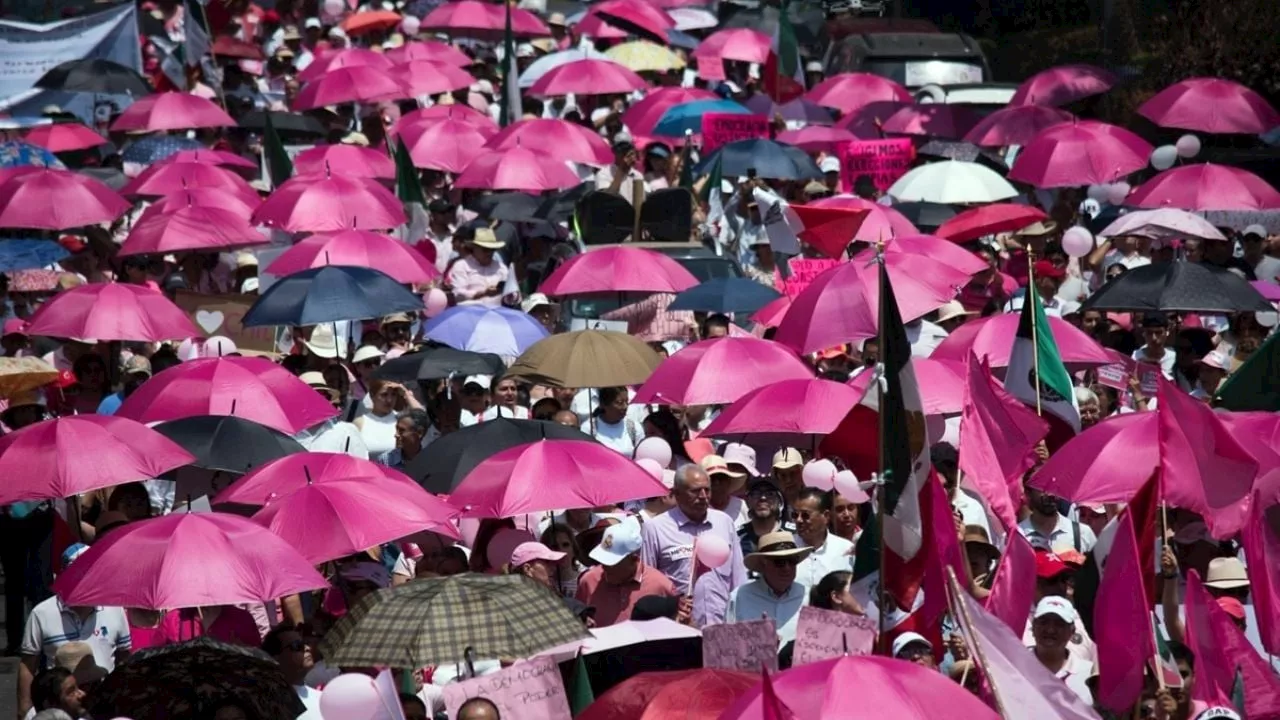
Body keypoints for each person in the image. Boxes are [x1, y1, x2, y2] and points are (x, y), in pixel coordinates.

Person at [18, 544, 130, 720]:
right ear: (62, 575)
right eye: (76, 573)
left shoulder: (115, 609)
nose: (83, 579)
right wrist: (24, 710)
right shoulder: (41, 613)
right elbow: (28, 665)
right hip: (61, 705)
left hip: (103, 700)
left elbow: (124, 657)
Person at [641, 466, 747, 626]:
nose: (704, 496)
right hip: (678, 628)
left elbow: (739, 579)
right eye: (695, 491)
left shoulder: (724, 522)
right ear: (676, 494)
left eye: (707, 490)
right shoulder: (655, 528)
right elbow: (649, 586)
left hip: (723, 626)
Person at [576, 518, 681, 627]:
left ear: (633, 558)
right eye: (603, 560)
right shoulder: (588, 582)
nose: (605, 567)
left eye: (612, 562)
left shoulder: (661, 586)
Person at [728, 531, 811, 645]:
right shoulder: (739, 596)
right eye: (779, 562)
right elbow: (726, 644)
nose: (787, 568)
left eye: (792, 560)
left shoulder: (809, 597)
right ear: (763, 563)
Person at [1030, 596, 1094, 704]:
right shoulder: (1014, 666)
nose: (1050, 630)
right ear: (1033, 626)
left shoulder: (1089, 675)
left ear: (1072, 631)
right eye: (1044, 622)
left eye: (1059, 624)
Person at [294, 372, 370, 458]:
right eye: (310, 395)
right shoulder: (286, 436)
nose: (317, 399)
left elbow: (361, 466)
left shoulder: (346, 432)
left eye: (322, 395)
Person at [791, 489, 855, 588]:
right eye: (795, 515)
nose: (798, 520)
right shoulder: (786, 548)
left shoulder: (846, 550)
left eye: (805, 515)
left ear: (826, 516)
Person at [262, 623, 322, 719]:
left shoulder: (322, 697)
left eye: (304, 644)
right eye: (297, 646)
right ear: (275, 658)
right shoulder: (272, 705)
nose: (307, 648)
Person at [1019, 482, 1096, 554]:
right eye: (1043, 487)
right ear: (1028, 493)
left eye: (1054, 486)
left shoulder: (1083, 533)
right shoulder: (1016, 536)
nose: (1050, 494)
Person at [354, 379, 419, 458]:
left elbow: (422, 417)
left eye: (393, 395)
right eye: (384, 395)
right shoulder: (360, 422)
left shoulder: (402, 419)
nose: (389, 400)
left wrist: (406, 394)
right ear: (372, 395)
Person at [447, 228, 509, 308]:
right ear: (474, 248)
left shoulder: (501, 268)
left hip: (496, 314)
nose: (489, 253)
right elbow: (458, 294)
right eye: (485, 250)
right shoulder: (462, 266)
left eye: (492, 249)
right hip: (469, 313)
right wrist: (483, 293)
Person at [581, 386, 642, 455]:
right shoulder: (589, 428)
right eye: (620, 403)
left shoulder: (634, 428)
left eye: (626, 401)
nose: (625, 406)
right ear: (603, 404)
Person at [738, 479, 789, 557]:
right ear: (748, 501)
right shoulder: (738, 536)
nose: (763, 498)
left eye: (770, 494)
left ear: (779, 500)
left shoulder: (793, 534)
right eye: (756, 494)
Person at [700, 454, 748, 527]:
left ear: (729, 481)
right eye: (712, 478)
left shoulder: (741, 505)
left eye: (721, 477)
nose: (717, 483)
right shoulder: (698, 509)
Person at [595, 139, 644, 206]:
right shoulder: (603, 174)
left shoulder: (637, 175)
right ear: (615, 153)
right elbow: (606, 199)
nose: (626, 154)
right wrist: (622, 169)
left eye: (629, 151)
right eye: (622, 152)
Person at [1133, 311, 1177, 380]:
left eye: (1158, 333)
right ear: (1144, 333)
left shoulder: (1174, 356)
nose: (1154, 338)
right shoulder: (1136, 357)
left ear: (1166, 332)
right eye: (1149, 333)